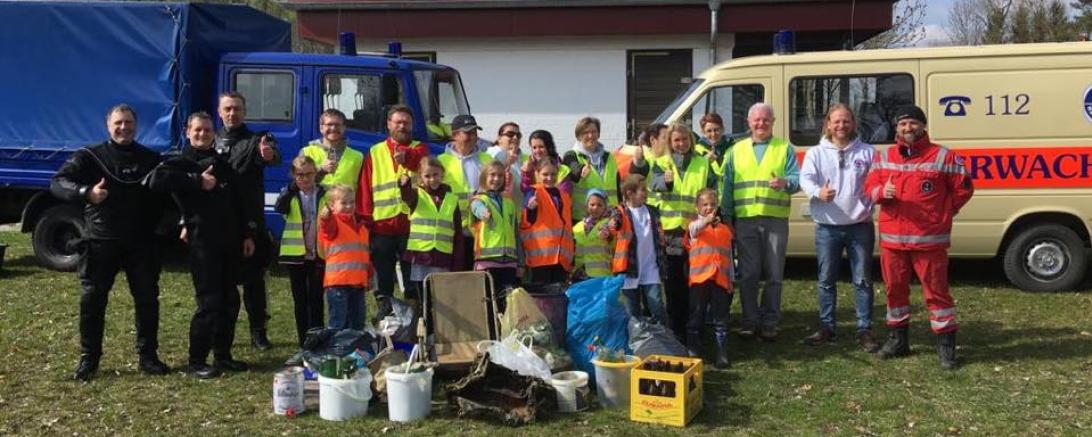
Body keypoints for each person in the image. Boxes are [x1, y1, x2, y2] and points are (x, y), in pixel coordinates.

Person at [51, 104, 168, 382]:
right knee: (92, 300)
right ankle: (89, 359)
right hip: (101, 241)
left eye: (128, 123)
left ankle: (148, 357)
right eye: (118, 123)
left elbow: (168, 195)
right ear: (108, 125)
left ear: (136, 126)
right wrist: (86, 192)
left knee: (147, 300)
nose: (123, 127)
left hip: (140, 243)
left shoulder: (150, 158)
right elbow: (58, 182)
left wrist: (170, 225)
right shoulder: (90, 156)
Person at [146, 112, 255, 379]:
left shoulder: (223, 164)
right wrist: (196, 181)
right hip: (203, 243)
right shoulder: (180, 163)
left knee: (230, 299)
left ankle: (223, 355)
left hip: (230, 241)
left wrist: (246, 235)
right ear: (187, 132)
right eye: (198, 130)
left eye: (207, 130)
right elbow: (154, 182)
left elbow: (237, 204)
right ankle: (196, 360)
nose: (203, 134)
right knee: (209, 302)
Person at [864, 105, 973, 369]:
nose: (907, 128)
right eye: (902, 124)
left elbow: (964, 189)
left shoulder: (943, 156)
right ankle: (898, 341)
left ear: (923, 126)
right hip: (893, 241)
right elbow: (868, 187)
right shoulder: (885, 155)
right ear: (896, 128)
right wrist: (880, 192)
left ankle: (946, 347)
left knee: (936, 294)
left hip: (929, 241)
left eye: (913, 123)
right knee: (894, 292)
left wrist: (942, 213)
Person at [799, 104, 880, 352]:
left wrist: (869, 199)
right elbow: (806, 179)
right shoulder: (816, 153)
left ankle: (864, 329)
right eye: (836, 121)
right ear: (828, 124)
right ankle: (827, 327)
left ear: (853, 124)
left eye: (846, 121)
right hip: (827, 227)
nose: (841, 126)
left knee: (863, 280)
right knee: (826, 280)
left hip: (860, 226)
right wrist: (817, 192)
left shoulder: (868, 152)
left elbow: (877, 181)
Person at [720, 102, 800, 342]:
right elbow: (727, 186)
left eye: (766, 119)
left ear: (773, 122)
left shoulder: (784, 148)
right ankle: (749, 321)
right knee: (748, 273)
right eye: (757, 120)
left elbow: (797, 180)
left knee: (774, 274)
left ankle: (770, 322)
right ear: (749, 122)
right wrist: (727, 217)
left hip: (775, 219)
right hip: (745, 220)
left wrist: (785, 182)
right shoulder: (736, 150)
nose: (761, 123)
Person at [214, 92, 280, 350]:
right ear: (220, 112)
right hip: (219, 224)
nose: (232, 113)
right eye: (228, 109)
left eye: (237, 109)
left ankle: (258, 332)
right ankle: (221, 332)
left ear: (245, 112)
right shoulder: (212, 139)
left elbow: (273, 156)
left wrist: (268, 154)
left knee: (254, 283)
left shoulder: (255, 140)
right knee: (222, 284)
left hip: (250, 223)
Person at [357, 104, 428, 318]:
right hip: (382, 226)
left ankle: (414, 320)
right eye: (397, 122)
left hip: (411, 225)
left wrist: (405, 156)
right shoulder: (375, 152)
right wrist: (365, 222)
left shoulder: (420, 149)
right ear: (388, 125)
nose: (402, 126)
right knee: (384, 279)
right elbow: (365, 190)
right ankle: (385, 318)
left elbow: (420, 162)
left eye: (406, 122)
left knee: (411, 278)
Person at [649, 122, 719, 340]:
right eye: (676, 140)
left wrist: (710, 217)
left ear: (691, 139)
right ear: (670, 142)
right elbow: (653, 188)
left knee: (696, 283)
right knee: (673, 284)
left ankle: (695, 328)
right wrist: (665, 182)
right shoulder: (661, 162)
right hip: (670, 234)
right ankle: (676, 330)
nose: (681, 144)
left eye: (685, 139)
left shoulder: (702, 163)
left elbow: (714, 191)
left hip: (696, 232)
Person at [274, 156, 327, 347]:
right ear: (294, 175)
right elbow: (279, 207)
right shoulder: (290, 194)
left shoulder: (324, 193)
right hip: (296, 255)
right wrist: (290, 189)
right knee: (300, 300)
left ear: (316, 174)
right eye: (300, 175)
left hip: (318, 254)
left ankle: (318, 337)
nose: (304, 179)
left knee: (317, 298)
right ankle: (303, 340)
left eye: (309, 174)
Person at [400, 157, 464, 307]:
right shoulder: (416, 195)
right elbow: (406, 196)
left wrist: (458, 262)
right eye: (427, 176)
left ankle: (438, 328)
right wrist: (404, 185)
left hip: (443, 257)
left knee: (441, 299)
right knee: (422, 298)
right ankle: (424, 325)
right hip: (420, 257)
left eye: (435, 175)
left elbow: (458, 233)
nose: (432, 179)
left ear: (442, 174)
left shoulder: (451, 199)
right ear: (420, 177)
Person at [685, 188, 734, 368]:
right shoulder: (694, 227)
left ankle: (721, 351)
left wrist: (730, 280)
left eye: (712, 204)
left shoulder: (724, 231)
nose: (709, 208)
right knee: (696, 316)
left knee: (720, 318)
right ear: (697, 207)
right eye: (704, 204)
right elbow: (696, 228)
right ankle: (693, 350)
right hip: (699, 280)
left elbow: (729, 257)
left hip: (720, 280)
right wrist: (707, 220)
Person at [563, 116, 647, 219]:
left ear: (598, 134)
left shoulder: (608, 156)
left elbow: (616, 185)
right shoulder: (571, 155)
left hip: (610, 216)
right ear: (579, 136)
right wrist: (580, 170)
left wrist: (621, 207)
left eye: (594, 132)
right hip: (585, 219)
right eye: (585, 133)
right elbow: (573, 168)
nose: (590, 135)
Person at [438, 114, 493, 270]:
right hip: (452, 230)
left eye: (474, 132)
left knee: (479, 276)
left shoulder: (487, 159)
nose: (472, 137)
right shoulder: (441, 161)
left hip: (480, 229)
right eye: (467, 132)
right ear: (454, 135)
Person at [610, 174, 668, 324]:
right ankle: (636, 342)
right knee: (632, 311)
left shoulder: (652, 211)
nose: (646, 193)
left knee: (656, 305)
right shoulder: (621, 211)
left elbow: (658, 233)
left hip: (651, 267)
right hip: (630, 268)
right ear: (629, 193)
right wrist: (612, 224)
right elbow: (614, 221)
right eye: (642, 190)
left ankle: (665, 340)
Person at [320, 184, 373, 331]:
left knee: (357, 323)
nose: (349, 206)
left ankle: (352, 352)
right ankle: (335, 351)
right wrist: (326, 216)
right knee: (338, 323)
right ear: (332, 205)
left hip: (357, 284)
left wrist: (369, 276)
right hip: (338, 284)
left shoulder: (361, 228)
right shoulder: (334, 223)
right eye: (343, 203)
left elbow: (365, 256)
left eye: (352, 202)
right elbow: (326, 226)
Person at [470, 160, 520, 310]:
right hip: (487, 262)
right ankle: (491, 332)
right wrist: (483, 213)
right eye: (492, 175)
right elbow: (477, 209)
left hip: (509, 262)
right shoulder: (478, 200)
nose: (496, 179)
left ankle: (505, 332)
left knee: (508, 304)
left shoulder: (509, 203)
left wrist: (521, 263)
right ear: (484, 177)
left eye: (500, 176)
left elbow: (516, 234)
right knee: (488, 304)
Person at [521, 159, 574, 285]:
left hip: (562, 259)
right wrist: (530, 207)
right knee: (543, 300)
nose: (549, 178)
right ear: (537, 174)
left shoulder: (564, 196)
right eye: (545, 174)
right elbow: (527, 220)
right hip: (541, 258)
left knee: (559, 299)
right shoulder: (533, 192)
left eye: (553, 174)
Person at [300, 109, 364, 190]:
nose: (333, 128)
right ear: (321, 128)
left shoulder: (358, 157)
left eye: (337, 125)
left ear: (344, 128)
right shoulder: (306, 153)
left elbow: (363, 190)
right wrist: (321, 170)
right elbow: (299, 185)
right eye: (329, 124)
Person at [572, 188, 614, 281]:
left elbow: (615, 244)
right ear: (587, 206)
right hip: (580, 274)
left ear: (605, 207)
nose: (595, 208)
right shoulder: (577, 227)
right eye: (592, 204)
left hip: (602, 275)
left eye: (600, 205)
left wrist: (609, 237)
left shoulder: (609, 224)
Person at [520, 130, 572, 194]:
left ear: (549, 147)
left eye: (541, 147)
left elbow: (564, 194)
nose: (538, 151)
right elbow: (526, 192)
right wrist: (527, 174)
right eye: (534, 148)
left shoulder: (562, 169)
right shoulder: (528, 168)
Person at [694, 113, 732, 178]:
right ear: (703, 132)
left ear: (722, 129)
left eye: (716, 130)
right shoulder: (696, 151)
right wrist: (704, 162)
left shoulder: (733, 148)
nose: (713, 134)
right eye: (709, 131)